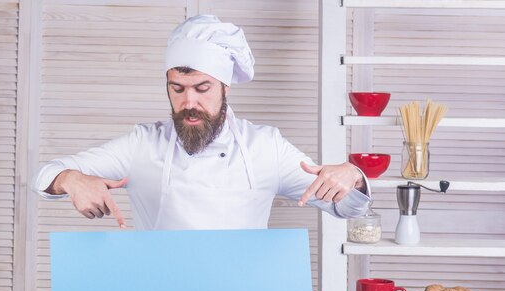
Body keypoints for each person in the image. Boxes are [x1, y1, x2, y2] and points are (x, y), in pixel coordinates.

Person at [33, 15, 370, 230]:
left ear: (225, 85)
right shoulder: (142, 145)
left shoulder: (266, 147)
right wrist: (72, 179)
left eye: (202, 88)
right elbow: (45, 175)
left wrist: (352, 176)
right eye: (177, 89)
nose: (188, 103)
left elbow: (347, 208)